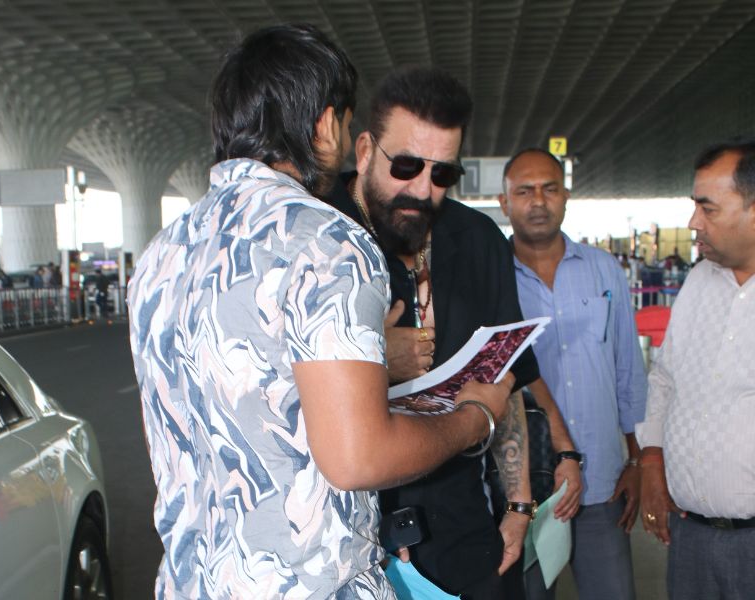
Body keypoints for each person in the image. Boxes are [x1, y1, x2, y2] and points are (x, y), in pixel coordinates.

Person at [127, 26, 512, 599]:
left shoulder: (162, 253)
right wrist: (475, 419)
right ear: (327, 124)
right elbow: (358, 457)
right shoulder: (326, 241)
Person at [324, 67, 540, 599]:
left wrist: (518, 505)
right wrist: (372, 364)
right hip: (349, 538)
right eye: (406, 166)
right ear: (365, 150)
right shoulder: (318, 235)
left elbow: (503, 382)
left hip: (463, 526)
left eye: (442, 174)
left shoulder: (478, 239)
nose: (422, 189)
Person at [498, 148, 647, 600]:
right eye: (524, 191)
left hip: (603, 481)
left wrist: (637, 461)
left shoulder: (603, 269)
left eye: (549, 189)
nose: (538, 201)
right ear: (504, 203)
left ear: (565, 196)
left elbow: (628, 369)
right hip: (527, 490)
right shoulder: (493, 277)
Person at [637, 140, 755, 600]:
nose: (693, 222)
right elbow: (665, 377)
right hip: (691, 538)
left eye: (708, 208)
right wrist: (651, 460)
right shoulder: (699, 282)